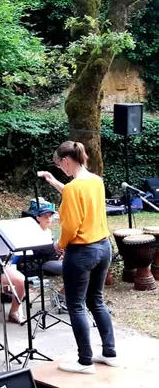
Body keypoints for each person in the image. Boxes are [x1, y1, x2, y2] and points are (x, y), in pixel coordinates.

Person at [38, 141, 117, 374]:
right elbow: (79, 196)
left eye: (60, 166)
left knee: (76, 305)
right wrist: (54, 182)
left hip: (82, 252)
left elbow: (71, 226)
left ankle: (85, 362)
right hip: (103, 247)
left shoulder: (74, 188)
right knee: (97, 301)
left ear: (66, 161)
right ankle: (109, 352)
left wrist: (59, 245)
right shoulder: (96, 181)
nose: (61, 170)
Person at [26, 199, 67, 310]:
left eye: (50, 217)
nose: (49, 219)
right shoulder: (34, 232)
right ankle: (61, 297)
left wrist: (61, 253)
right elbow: (37, 252)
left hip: (53, 258)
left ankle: (63, 297)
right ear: (38, 218)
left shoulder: (49, 231)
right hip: (42, 262)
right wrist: (54, 248)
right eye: (45, 216)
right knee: (73, 269)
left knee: (78, 268)